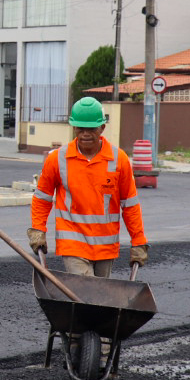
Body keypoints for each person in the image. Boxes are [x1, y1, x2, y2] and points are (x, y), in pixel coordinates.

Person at [27, 97, 148, 277]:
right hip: (73, 242)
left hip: (105, 245)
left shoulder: (119, 160)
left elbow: (130, 205)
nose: (85, 134)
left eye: (91, 129)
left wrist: (138, 240)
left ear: (102, 128)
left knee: (100, 291)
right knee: (86, 287)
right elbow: (42, 198)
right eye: (80, 128)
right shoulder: (58, 159)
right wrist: (38, 229)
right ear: (74, 128)